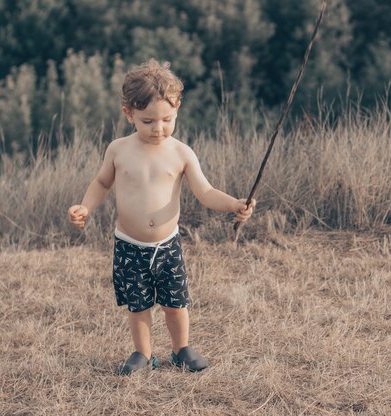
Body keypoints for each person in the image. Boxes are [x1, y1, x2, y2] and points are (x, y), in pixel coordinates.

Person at [67, 59, 255, 375]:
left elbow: (206, 192)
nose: (158, 129)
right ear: (129, 115)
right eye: (148, 121)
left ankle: (181, 349)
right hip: (129, 245)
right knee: (138, 307)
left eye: (167, 119)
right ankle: (143, 354)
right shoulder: (119, 150)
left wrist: (234, 204)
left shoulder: (181, 152)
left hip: (167, 246)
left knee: (175, 304)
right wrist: (85, 207)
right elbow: (101, 183)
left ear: (177, 109)